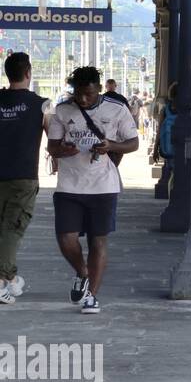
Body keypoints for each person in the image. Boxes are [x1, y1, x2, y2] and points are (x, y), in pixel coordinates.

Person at [46, 66, 139, 314]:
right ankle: (82, 271)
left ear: (98, 88)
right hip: (69, 184)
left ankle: (91, 296)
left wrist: (112, 145)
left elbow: (133, 143)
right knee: (66, 238)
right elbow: (52, 147)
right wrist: (63, 150)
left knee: (98, 241)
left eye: (88, 93)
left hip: (103, 186)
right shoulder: (63, 110)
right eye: (79, 93)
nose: (83, 99)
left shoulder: (117, 109)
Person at [0, 53, 50, 305]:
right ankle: (1, 281)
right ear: (28, 73)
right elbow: (54, 137)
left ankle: (10, 279)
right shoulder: (41, 104)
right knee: (12, 228)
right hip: (23, 176)